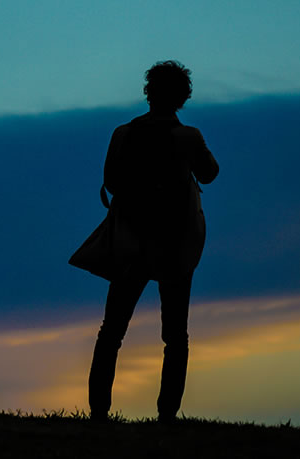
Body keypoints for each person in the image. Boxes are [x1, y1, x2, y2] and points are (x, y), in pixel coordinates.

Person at [88, 60, 219, 423]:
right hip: (176, 246)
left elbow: (111, 181)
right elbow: (210, 172)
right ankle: (166, 416)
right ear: (183, 97)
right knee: (175, 337)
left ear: (149, 92)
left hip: (131, 243)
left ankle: (99, 413)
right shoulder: (189, 137)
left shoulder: (123, 134)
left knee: (111, 331)